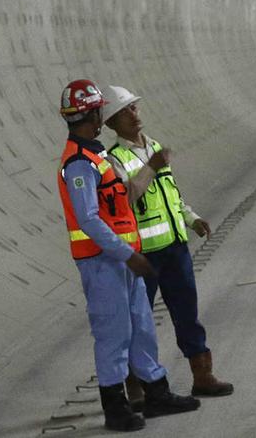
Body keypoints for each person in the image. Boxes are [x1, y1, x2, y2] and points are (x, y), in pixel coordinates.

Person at [56, 79, 200, 432]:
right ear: (92, 113)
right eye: (99, 110)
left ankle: (156, 393)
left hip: (124, 259)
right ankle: (115, 407)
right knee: (113, 332)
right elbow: (88, 218)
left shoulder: (97, 155)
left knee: (141, 326)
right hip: (102, 262)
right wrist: (125, 253)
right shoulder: (78, 163)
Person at [101, 85, 234, 406]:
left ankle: (202, 376)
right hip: (143, 254)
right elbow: (128, 197)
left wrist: (192, 219)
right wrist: (153, 166)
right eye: (125, 112)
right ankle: (138, 387)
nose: (134, 115)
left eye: (134, 108)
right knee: (139, 322)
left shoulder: (155, 147)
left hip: (175, 247)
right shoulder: (113, 159)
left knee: (187, 311)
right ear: (111, 124)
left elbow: (171, 194)